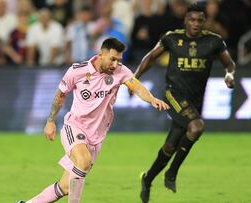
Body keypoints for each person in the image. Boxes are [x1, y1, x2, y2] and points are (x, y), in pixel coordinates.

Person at [16, 37, 170, 203]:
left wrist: (152, 98)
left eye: (119, 60)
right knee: (83, 161)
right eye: (112, 59)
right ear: (100, 55)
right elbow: (61, 95)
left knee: (66, 186)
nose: (115, 64)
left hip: (96, 137)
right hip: (74, 127)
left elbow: (137, 86)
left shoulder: (121, 71)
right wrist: (50, 121)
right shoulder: (77, 71)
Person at [133, 4, 236, 203]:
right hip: (174, 93)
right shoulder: (172, 38)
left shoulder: (213, 42)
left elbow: (229, 63)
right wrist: (135, 78)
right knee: (197, 127)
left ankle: (148, 178)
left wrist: (229, 75)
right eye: (192, 20)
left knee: (170, 146)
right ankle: (172, 172)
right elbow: (151, 57)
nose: (196, 24)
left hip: (195, 100)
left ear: (204, 21)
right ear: (185, 20)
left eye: (200, 20)